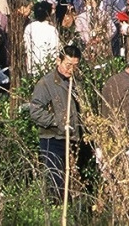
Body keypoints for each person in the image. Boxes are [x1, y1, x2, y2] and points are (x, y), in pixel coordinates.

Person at [28, 45, 82, 195]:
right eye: (68, 65)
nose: (71, 69)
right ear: (59, 61)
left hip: (73, 139)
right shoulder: (46, 83)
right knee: (56, 182)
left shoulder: (78, 82)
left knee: (74, 183)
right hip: (53, 138)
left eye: (75, 66)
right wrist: (58, 121)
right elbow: (35, 111)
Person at [24, 0, 62, 76]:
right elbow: (56, 49)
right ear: (48, 14)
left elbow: (26, 47)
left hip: (32, 66)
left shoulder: (29, 27)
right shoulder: (51, 29)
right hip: (47, 67)